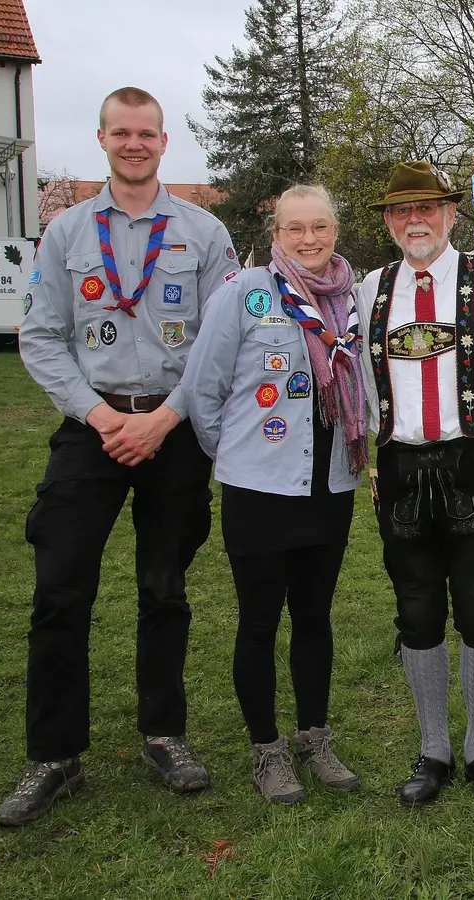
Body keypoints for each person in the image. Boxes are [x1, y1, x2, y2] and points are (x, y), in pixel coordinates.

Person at [0, 87, 238, 827]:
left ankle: (163, 734)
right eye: (122, 133)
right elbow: (40, 337)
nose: (135, 144)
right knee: (60, 588)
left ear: (165, 142)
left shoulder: (204, 233)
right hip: (92, 427)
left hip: (172, 428)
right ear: (103, 138)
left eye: (147, 134)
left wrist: (164, 420)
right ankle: (54, 756)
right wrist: (103, 418)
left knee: (164, 589)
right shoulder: (67, 233)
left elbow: (220, 342)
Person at [183, 185, 365, 804]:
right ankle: (267, 751)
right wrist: (238, 458)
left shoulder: (353, 300)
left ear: (334, 233)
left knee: (314, 617)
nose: (309, 239)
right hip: (259, 490)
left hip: (330, 485)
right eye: (296, 229)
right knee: (259, 622)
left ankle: (314, 737)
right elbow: (204, 393)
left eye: (320, 227)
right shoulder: (243, 294)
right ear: (275, 234)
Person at [357, 161, 474, 805]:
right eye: (403, 211)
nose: (416, 220)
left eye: (428, 208)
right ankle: (433, 750)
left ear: (452, 215)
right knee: (416, 606)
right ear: (388, 222)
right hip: (400, 466)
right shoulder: (370, 288)